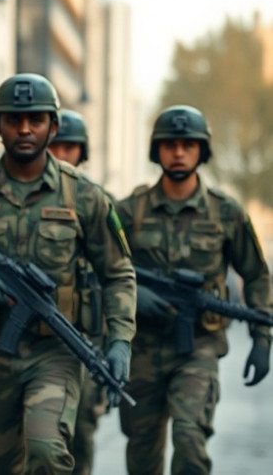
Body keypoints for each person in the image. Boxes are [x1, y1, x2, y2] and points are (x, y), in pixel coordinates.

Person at [0, 73, 136, 474]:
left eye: (35, 119)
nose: (25, 129)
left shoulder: (83, 196)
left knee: (47, 451)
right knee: (7, 462)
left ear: (54, 125)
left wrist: (119, 341)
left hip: (57, 350)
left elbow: (118, 273)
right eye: (14, 120)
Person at [117, 105, 273, 475]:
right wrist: (134, 297)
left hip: (198, 348)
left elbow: (256, 276)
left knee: (189, 440)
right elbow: (101, 270)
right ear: (157, 151)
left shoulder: (226, 213)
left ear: (202, 151)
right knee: (142, 453)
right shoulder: (128, 212)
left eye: (188, 144)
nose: (179, 152)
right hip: (142, 348)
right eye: (170, 144)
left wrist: (262, 338)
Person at [48, 109, 108, 475]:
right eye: (57, 146)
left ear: (81, 153)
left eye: (70, 147)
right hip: (39, 340)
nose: (62, 155)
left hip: (86, 341)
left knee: (81, 431)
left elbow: (120, 270)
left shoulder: (96, 202)